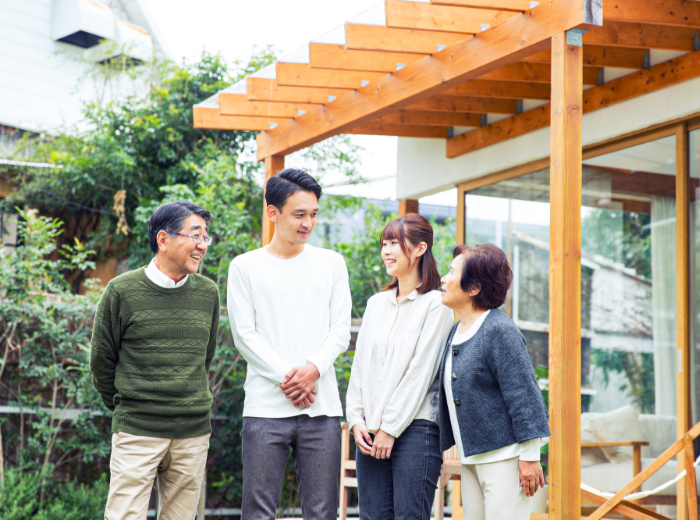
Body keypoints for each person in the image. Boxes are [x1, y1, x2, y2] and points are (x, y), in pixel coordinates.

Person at [227, 168, 352, 520]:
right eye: (299, 214)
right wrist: (292, 378)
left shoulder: (331, 263)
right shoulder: (245, 267)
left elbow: (340, 329)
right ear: (273, 213)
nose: (308, 223)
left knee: (322, 511)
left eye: (313, 214)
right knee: (258, 511)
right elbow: (244, 336)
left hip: (322, 408)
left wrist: (312, 370)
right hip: (265, 409)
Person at [90, 201, 220, 520]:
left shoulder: (209, 293)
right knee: (124, 515)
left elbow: (205, 357)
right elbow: (101, 361)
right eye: (195, 235)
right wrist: (129, 406)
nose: (203, 245)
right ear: (163, 240)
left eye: (206, 237)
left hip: (192, 430)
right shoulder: (121, 291)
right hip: (137, 428)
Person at [346, 214, 454, 520]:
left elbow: (420, 374)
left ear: (420, 249)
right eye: (384, 243)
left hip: (416, 430)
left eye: (395, 243)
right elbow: (359, 367)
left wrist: (390, 428)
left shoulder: (437, 305)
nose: (386, 251)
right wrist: (356, 419)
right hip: (369, 432)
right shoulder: (375, 303)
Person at [438, 243, 551, 520]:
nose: (443, 278)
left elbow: (524, 395)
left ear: (474, 287)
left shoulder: (499, 330)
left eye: (452, 272)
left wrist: (530, 457)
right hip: (472, 458)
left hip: (506, 459)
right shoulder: (456, 330)